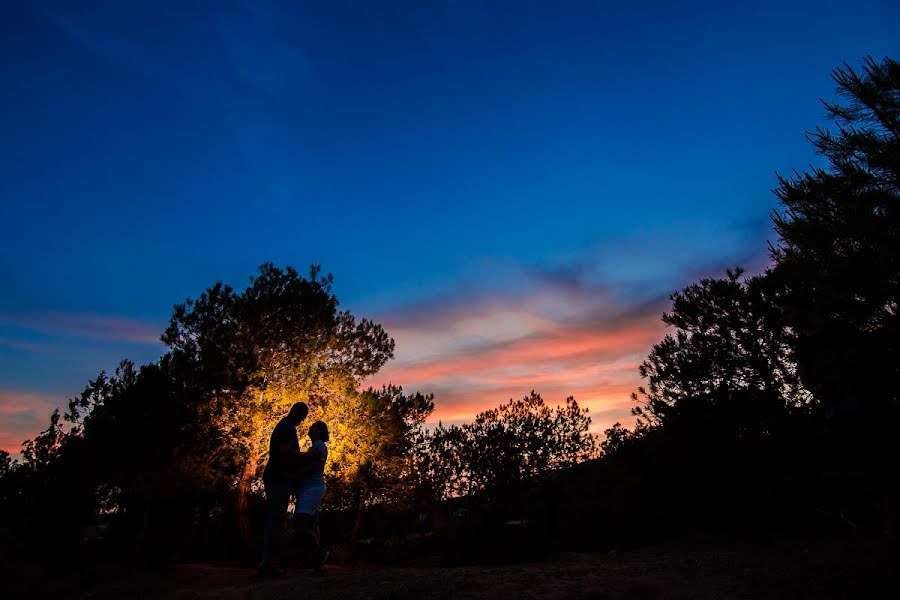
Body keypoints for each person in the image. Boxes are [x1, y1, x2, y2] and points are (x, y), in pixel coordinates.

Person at [258, 401, 318, 576]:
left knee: (276, 519)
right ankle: (267, 563)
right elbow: (286, 452)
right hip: (277, 479)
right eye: (303, 417)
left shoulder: (286, 428)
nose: (303, 421)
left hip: (279, 478)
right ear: (298, 413)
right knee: (275, 519)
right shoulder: (286, 428)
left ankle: (269, 561)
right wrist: (307, 456)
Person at [293, 420, 330, 569]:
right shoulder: (315, 446)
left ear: (319, 431)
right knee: (310, 524)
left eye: (313, 427)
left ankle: (319, 553)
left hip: (312, 489)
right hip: (309, 488)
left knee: (300, 524)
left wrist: (296, 475)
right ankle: (312, 559)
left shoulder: (320, 446)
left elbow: (315, 464)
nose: (310, 428)